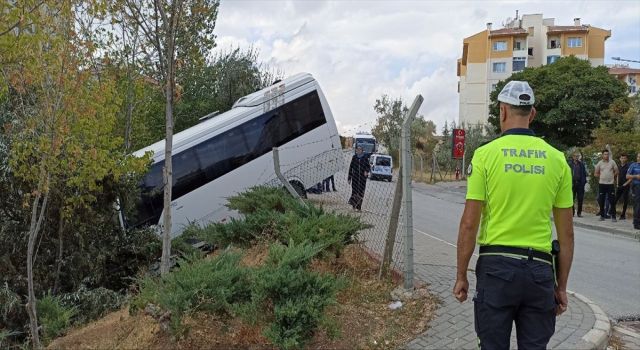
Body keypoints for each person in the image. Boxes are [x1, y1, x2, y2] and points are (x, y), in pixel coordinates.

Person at [453, 81, 574, 349]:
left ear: (503, 111)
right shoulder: (557, 160)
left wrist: (461, 275)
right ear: (532, 114)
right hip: (540, 272)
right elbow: (566, 235)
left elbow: (469, 224)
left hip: (497, 270)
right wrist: (561, 287)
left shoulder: (485, 155)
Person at [594, 150, 619, 222]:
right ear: (602, 155)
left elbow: (617, 171)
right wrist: (601, 176)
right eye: (605, 154)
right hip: (602, 184)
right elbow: (595, 173)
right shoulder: (599, 163)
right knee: (601, 201)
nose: (606, 156)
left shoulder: (612, 162)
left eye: (607, 154)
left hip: (610, 184)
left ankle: (613, 217)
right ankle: (602, 216)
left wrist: (612, 176)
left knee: (612, 201)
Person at [348, 146, 370, 211]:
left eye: (360, 149)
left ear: (362, 150)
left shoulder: (365, 158)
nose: (358, 151)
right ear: (356, 150)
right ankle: (354, 206)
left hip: (362, 179)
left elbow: (368, 166)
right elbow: (351, 167)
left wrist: (366, 171)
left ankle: (359, 207)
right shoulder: (354, 157)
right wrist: (349, 178)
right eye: (357, 149)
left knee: (361, 193)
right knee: (354, 192)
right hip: (355, 178)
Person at [569, 152, 587, 217]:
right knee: (571, 199)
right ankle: (572, 212)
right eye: (575, 156)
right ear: (573, 157)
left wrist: (583, 182)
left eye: (577, 156)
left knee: (580, 199)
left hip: (580, 184)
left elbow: (584, 174)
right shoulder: (570, 164)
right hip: (572, 184)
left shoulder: (581, 164)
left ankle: (579, 213)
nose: (576, 157)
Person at [615, 154, 631, 220]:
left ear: (626, 159)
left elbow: (630, 177)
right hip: (619, 185)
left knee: (625, 200)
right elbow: (618, 175)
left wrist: (626, 184)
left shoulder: (628, 167)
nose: (623, 159)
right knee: (615, 199)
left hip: (626, 185)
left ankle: (623, 215)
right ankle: (612, 212)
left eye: (624, 158)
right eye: (622, 158)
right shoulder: (618, 166)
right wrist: (617, 184)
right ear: (620, 159)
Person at [627, 153, 640, 230]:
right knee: (637, 205)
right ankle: (636, 223)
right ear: (637, 157)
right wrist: (636, 176)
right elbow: (627, 176)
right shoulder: (633, 165)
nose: (639, 158)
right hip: (636, 187)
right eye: (638, 157)